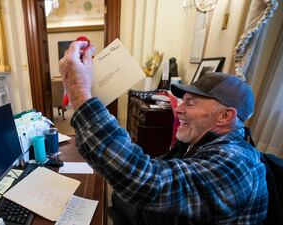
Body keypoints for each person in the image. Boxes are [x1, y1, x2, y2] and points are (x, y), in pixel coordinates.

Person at [59, 41, 268, 224]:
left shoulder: (236, 163)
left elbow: (148, 181)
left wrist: (79, 92)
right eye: (182, 101)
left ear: (225, 116)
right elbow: (155, 169)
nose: (178, 109)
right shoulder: (202, 140)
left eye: (191, 103)